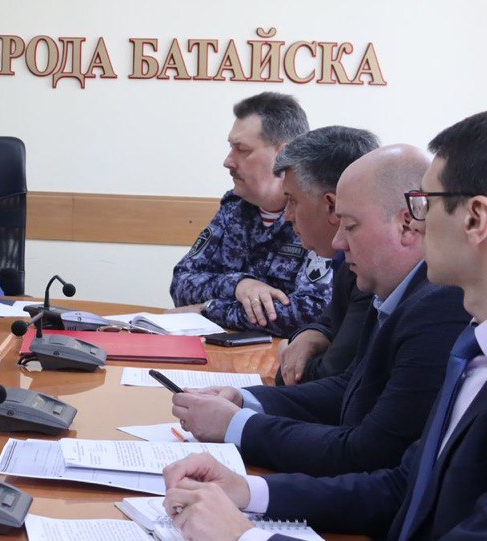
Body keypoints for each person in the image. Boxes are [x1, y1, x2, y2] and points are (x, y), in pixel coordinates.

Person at [163, 113, 487, 540]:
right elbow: (402, 489)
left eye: (425, 204)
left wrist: (245, 537)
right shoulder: (471, 345)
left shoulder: (441, 314)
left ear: (475, 219)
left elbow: (371, 453)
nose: (418, 221)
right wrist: (248, 491)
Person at [169, 92, 328, 337]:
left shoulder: (317, 215)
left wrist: (208, 309)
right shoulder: (234, 208)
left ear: (283, 155)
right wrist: (239, 284)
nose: (228, 161)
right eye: (230, 148)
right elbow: (181, 283)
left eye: (241, 149)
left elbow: (309, 311)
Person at [272, 125, 379, 385]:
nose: (287, 216)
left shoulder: (372, 268)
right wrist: (312, 333)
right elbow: (331, 318)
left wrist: (290, 358)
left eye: (292, 200)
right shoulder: (344, 260)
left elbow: (326, 377)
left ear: (331, 206)